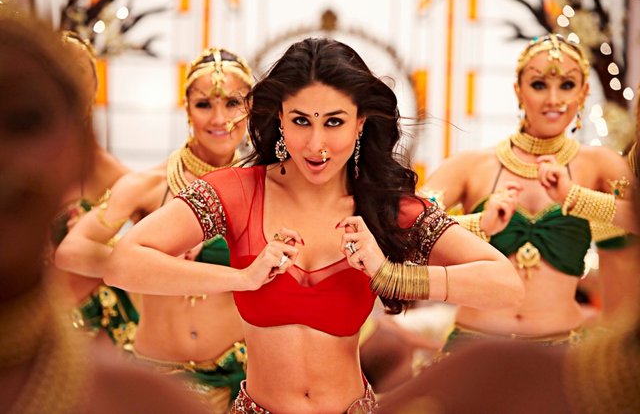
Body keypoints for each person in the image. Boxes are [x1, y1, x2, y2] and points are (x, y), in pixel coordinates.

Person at [104, 36, 523, 413]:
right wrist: (243, 278)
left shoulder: (385, 208)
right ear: (280, 119)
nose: (316, 144)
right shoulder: (236, 192)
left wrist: (390, 275)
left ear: (361, 122)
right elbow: (123, 262)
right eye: (301, 120)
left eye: (334, 122)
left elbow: (505, 284)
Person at [0, 4, 210, 414]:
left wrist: (161, 245)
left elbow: (158, 240)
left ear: (81, 152)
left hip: (94, 330)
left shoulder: (139, 401)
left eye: (25, 121)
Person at [55, 46, 253, 412]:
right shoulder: (150, 184)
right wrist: (148, 260)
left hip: (236, 379)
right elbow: (71, 252)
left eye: (233, 103)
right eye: (204, 104)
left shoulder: (262, 190)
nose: (220, 118)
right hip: (156, 375)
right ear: (186, 108)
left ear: (250, 107)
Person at [420, 33, 637, 353]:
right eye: (539, 85)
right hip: (474, 351)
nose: (553, 99)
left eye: (567, 85)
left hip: (561, 354)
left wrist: (576, 198)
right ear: (518, 90)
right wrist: (481, 223)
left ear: (584, 92)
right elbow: (405, 230)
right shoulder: (472, 166)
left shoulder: (599, 165)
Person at [49, 30, 137, 347]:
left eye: (79, 70)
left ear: (94, 88)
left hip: (99, 325)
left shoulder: (108, 171)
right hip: (28, 319)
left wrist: (104, 243)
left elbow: (159, 238)